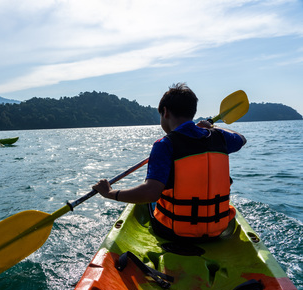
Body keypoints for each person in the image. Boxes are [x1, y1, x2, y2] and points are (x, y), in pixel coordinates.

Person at [92, 83, 247, 241]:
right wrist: (212, 127)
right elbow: (241, 139)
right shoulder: (219, 137)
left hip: (175, 233)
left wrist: (110, 193)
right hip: (218, 229)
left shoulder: (164, 144)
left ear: (165, 112)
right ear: (192, 112)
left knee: (150, 199)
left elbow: (151, 193)